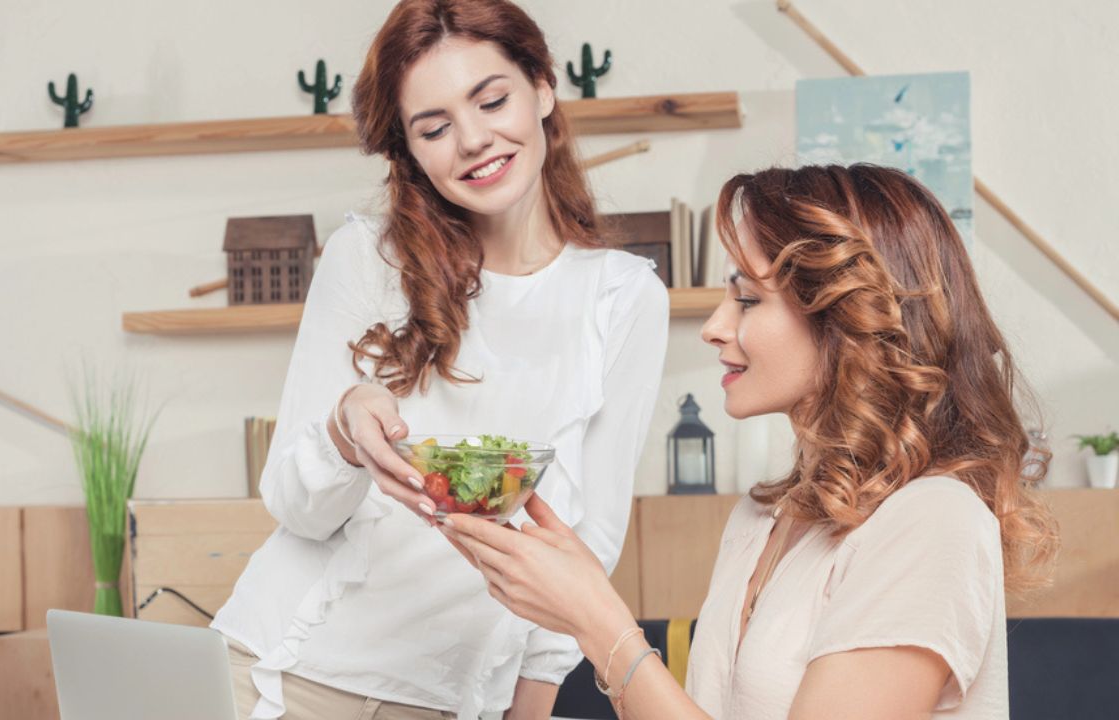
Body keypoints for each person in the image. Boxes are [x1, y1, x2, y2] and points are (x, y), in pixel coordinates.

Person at [443, 164, 1060, 719]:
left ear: (844, 317)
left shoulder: (932, 522)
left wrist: (597, 620)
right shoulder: (763, 518)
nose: (714, 328)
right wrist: (577, 601)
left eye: (746, 299)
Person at [210, 1, 669, 718]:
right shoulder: (366, 258)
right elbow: (293, 507)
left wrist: (536, 698)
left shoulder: (623, 297)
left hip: (449, 700)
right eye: (435, 127)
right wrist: (343, 428)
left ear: (542, 87)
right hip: (275, 670)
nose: (475, 140)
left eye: (492, 100)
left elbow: (589, 537)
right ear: (412, 151)